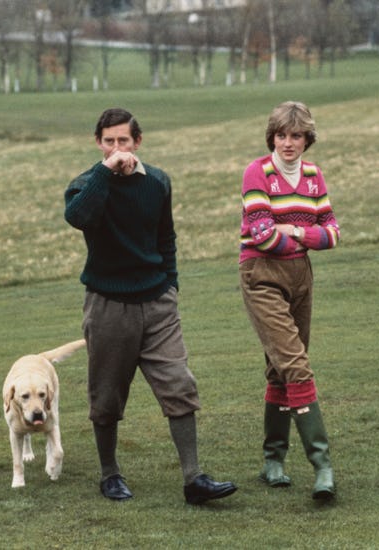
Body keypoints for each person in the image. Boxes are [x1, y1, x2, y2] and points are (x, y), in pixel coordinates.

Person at [64, 107, 237, 505]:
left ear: (138, 141)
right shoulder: (86, 184)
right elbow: (78, 217)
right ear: (98, 143)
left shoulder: (158, 182)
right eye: (108, 141)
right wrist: (106, 172)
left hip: (157, 302)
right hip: (108, 305)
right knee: (106, 396)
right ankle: (110, 475)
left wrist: (170, 287)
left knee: (179, 384)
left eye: (124, 140)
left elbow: (166, 238)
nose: (117, 148)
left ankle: (194, 479)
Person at [238, 101, 339, 501]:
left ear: (307, 138)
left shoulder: (314, 177)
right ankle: (323, 466)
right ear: (272, 137)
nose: (288, 143)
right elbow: (261, 235)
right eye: (281, 135)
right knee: (296, 365)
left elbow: (332, 233)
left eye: (296, 136)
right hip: (261, 273)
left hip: (301, 275)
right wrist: (302, 231)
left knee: (282, 369)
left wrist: (296, 234)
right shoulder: (256, 172)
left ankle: (272, 461)